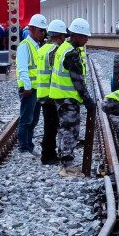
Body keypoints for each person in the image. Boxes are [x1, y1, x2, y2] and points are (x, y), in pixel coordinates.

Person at [49, 17, 95, 177]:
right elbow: (77, 80)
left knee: (63, 130)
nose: (86, 39)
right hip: (68, 98)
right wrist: (87, 99)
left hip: (60, 97)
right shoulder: (72, 53)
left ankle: (63, 163)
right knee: (70, 131)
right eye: (84, 36)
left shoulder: (62, 48)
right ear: (75, 35)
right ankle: (66, 167)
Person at [15, 13, 48, 155]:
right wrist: (27, 87)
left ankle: (29, 145)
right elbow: (23, 69)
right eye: (41, 30)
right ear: (32, 29)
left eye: (44, 30)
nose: (43, 33)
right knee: (26, 119)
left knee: (34, 120)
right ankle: (23, 147)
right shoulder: (25, 46)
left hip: (36, 89)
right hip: (29, 90)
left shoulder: (37, 46)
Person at [36, 19, 67, 165]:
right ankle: (48, 156)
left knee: (48, 124)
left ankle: (49, 153)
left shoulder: (42, 49)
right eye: (63, 37)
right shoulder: (55, 51)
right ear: (59, 36)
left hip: (42, 92)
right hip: (51, 94)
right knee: (51, 126)